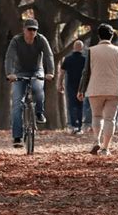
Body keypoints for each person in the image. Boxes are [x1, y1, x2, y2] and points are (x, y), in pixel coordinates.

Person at [77, 23, 118, 156]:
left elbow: (86, 72)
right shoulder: (117, 51)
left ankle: (96, 141)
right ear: (112, 36)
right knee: (110, 119)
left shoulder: (91, 50)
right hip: (114, 89)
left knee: (96, 116)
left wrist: (81, 89)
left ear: (99, 36)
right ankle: (105, 148)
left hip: (95, 88)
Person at [5, 18, 54, 148]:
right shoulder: (16, 40)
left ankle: (39, 112)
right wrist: (9, 73)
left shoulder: (42, 40)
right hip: (19, 72)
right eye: (29, 29)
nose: (32, 32)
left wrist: (50, 72)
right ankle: (17, 137)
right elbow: (9, 57)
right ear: (24, 30)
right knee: (17, 104)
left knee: (38, 90)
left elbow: (49, 56)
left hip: (37, 71)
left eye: (34, 30)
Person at [58, 40, 86, 134]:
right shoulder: (85, 60)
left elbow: (62, 73)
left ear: (73, 48)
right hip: (82, 86)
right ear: (82, 48)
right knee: (80, 105)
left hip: (70, 85)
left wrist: (60, 84)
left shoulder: (68, 59)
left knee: (72, 105)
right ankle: (79, 127)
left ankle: (74, 125)